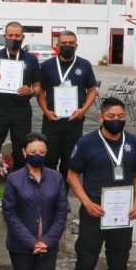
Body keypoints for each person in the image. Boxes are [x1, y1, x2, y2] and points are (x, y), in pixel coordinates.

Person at [66, 97, 136, 270]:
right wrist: (87, 202)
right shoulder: (87, 143)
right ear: (101, 117)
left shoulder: (133, 143)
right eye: (111, 117)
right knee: (85, 263)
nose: (116, 121)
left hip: (122, 215)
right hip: (94, 212)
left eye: (120, 117)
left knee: (119, 265)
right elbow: (72, 175)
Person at [3, 133, 69, 270]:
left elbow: (61, 211)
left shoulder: (56, 177)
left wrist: (47, 241)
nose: (37, 155)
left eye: (41, 152)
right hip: (21, 244)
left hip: (48, 244)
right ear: (24, 152)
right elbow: (10, 213)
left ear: (47, 152)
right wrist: (32, 242)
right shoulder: (14, 179)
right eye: (32, 152)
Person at [37, 30, 97, 177]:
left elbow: (92, 90)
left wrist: (84, 110)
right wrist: (46, 111)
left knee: (69, 162)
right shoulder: (47, 65)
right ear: (57, 46)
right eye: (64, 43)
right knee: (49, 160)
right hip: (52, 120)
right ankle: (50, 195)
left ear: (76, 45)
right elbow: (41, 92)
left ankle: (63, 196)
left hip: (74, 121)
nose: (67, 46)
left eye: (71, 43)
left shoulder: (85, 65)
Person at [0, 21, 42, 171]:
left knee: (21, 151)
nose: (14, 38)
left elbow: (38, 87)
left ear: (23, 37)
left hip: (21, 110)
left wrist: (31, 91)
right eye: (10, 35)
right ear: (4, 36)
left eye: (17, 35)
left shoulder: (31, 59)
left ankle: (19, 185)